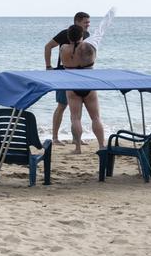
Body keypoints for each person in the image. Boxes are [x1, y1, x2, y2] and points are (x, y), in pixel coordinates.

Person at [44, 11, 90, 142]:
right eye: (85, 22)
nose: (88, 25)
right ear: (77, 22)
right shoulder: (65, 33)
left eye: (88, 22)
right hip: (63, 73)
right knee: (62, 105)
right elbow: (48, 46)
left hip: (80, 75)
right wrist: (48, 66)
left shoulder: (86, 35)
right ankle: (55, 138)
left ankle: (76, 138)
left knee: (77, 106)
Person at [58, 27, 106, 153]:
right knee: (96, 118)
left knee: (75, 118)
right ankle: (101, 146)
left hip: (72, 86)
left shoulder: (63, 48)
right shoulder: (89, 48)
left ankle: (78, 148)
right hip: (89, 85)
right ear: (82, 36)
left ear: (69, 37)